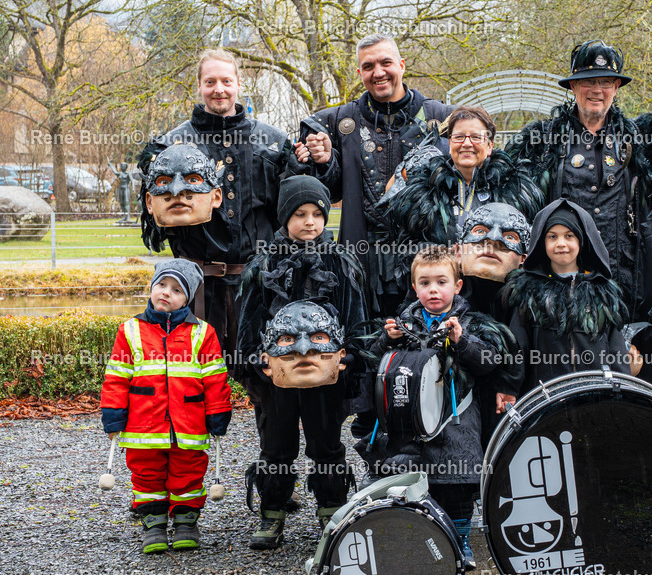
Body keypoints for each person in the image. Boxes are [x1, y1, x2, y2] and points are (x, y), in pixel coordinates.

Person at [137, 48, 296, 372]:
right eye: (210, 82)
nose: (219, 89)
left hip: (259, 285)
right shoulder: (171, 145)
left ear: (238, 83)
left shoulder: (273, 142)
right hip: (195, 286)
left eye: (226, 81)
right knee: (192, 378)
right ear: (199, 85)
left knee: (263, 377)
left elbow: (294, 211)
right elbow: (155, 216)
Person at [234, 175, 368, 549]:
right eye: (299, 214)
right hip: (277, 378)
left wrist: (351, 357)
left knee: (327, 445)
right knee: (276, 445)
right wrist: (255, 362)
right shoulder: (263, 265)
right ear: (284, 217)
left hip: (325, 378)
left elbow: (356, 318)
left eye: (317, 214)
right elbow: (248, 321)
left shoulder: (340, 263)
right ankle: (272, 512)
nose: (310, 222)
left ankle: (332, 510)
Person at [370, 245, 514, 569]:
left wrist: (462, 341)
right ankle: (426, 541)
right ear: (414, 287)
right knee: (418, 483)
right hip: (411, 420)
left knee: (457, 485)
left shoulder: (472, 321)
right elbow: (375, 363)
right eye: (425, 283)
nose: (433, 290)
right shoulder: (404, 322)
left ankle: (460, 541)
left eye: (441, 282)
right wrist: (386, 341)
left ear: (457, 286)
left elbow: (490, 362)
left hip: (456, 418)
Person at [504, 40, 652, 323]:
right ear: (573, 86)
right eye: (588, 81)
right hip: (558, 278)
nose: (597, 90)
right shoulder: (541, 142)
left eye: (605, 82)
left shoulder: (641, 140)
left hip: (626, 278)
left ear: (616, 87)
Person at [298, 33, 454, 319]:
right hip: (361, 259)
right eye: (368, 66)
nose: (378, 72)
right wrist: (324, 160)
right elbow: (330, 191)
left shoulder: (443, 117)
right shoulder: (339, 121)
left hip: (426, 263)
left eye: (386, 63)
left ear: (402, 65)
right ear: (360, 73)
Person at [101, 259, 232, 554]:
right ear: (152, 287)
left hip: (189, 424)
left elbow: (215, 379)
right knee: (146, 474)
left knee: (189, 472)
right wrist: (113, 415)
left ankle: (186, 522)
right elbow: (117, 377)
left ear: (187, 298)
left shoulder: (203, 333)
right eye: (161, 285)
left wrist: (218, 414)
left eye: (176, 290)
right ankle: (154, 524)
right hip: (142, 426)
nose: (166, 293)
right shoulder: (130, 330)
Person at [385, 105, 544, 274]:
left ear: (489, 146)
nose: (467, 144)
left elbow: (529, 246)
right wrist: (445, 258)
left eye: (476, 137)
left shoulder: (516, 191)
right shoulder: (423, 190)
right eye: (459, 137)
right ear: (450, 143)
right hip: (442, 284)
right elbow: (407, 246)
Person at [502, 198, 630, 393]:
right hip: (546, 396)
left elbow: (616, 350)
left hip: (595, 395)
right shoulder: (529, 292)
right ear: (542, 241)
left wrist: (623, 388)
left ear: (581, 240)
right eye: (552, 236)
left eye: (569, 236)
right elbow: (518, 345)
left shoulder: (602, 293)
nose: (561, 243)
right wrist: (509, 388)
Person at [454, 202, 532, 440]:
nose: (493, 240)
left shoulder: (528, 305)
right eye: (479, 231)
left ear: (523, 258)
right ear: (458, 251)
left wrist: (509, 383)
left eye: (510, 236)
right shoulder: (437, 291)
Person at [107, 159, 134, 225]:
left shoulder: (128, 173)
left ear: (126, 167)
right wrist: (110, 165)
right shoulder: (120, 173)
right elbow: (115, 172)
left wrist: (133, 187)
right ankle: (124, 216)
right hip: (121, 189)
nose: (122, 167)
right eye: (121, 166)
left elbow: (132, 181)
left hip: (126, 188)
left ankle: (128, 217)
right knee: (122, 202)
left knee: (126, 202)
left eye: (123, 166)